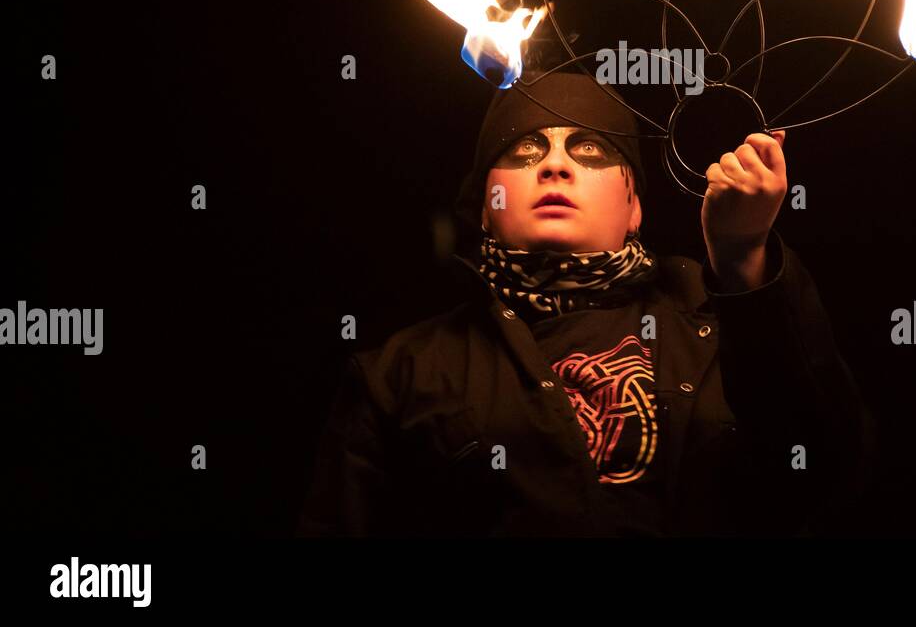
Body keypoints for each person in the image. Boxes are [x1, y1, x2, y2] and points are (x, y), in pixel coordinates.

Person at [296, 71, 876, 537]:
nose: (553, 164)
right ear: (484, 207)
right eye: (523, 148)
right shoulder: (401, 373)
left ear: (634, 207)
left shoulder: (718, 317)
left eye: (590, 147)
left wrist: (743, 258)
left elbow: (828, 472)